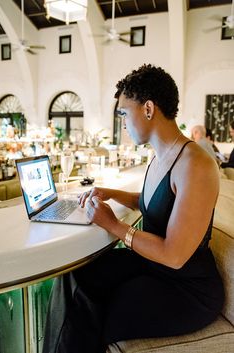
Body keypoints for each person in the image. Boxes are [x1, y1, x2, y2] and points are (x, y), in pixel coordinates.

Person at [42, 64, 224, 353]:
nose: (123, 123)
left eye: (125, 113)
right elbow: (150, 201)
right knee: (77, 274)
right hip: (153, 265)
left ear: (148, 109)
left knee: (98, 311)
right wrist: (109, 193)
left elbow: (175, 255)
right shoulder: (161, 155)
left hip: (186, 288)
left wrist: (113, 225)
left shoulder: (196, 164)